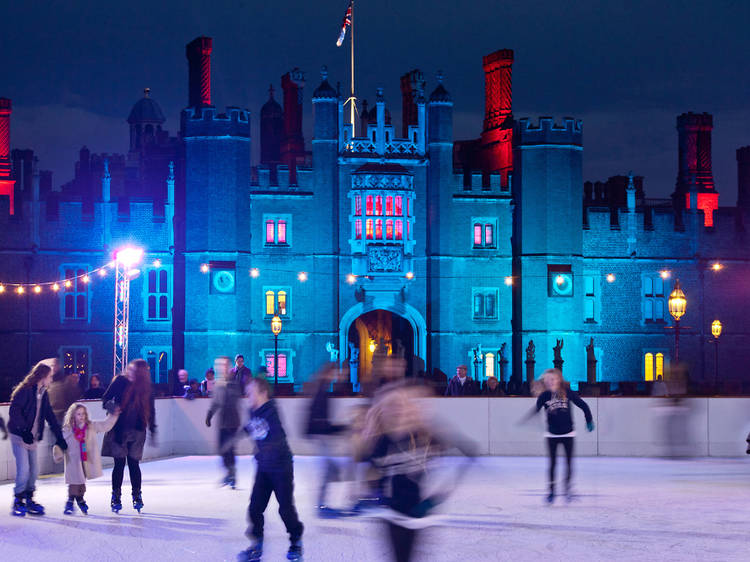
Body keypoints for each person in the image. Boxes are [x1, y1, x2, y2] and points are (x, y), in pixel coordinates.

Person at [238, 377, 303, 562]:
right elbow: (250, 428)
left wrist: (266, 450)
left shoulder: (272, 411)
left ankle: (296, 541)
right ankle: (256, 544)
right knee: (254, 508)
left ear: (263, 393)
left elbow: (275, 437)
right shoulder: (253, 411)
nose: (248, 396)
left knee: (285, 509)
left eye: (251, 392)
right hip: (264, 467)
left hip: (281, 467)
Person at [522, 368, 594, 503]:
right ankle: (551, 491)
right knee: (552, 464)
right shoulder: (544, 396)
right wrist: (527, 417)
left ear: (558, 380)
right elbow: (536, 409)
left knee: (568, 463)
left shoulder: (568, 393)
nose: (549, 382)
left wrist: (589, 420)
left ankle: (567, 489)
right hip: (551, 435)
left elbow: (583, 405)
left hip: (568, 433)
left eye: (552, 379)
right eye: (547, 380)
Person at [8, 360, 68, 516]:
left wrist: (59, 438)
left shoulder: (43, 393)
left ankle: (29, 498)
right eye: (50, 376)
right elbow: (14, 411)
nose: (51, 379)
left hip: (32, 437)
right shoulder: (25, 390)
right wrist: (24, 431)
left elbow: (50, 416)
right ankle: (18, 500)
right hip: (19, 435)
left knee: (34, 470)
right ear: (43, 376)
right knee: (24, 469)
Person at [102, 358, 157, 513]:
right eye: (130, 370)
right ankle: (116, 496)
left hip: (137, 431)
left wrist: (153, 430)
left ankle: (137, 496)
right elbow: (105, 398)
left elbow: (151, 411)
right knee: (119, 464)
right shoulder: (120, 381)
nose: (130, 373)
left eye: (134, 371)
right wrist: (112, 408)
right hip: (119, 430)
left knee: (134, 464)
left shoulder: (146, 388)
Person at [60, 402, 119, 515]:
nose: (81, 416)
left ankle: (80, 498)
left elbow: (105, 425)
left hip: (85, 460)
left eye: (83, 414)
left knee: (81, 481)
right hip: (73, 461)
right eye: (78, 414)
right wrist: (57, 453)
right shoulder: (67, 429)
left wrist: (114, 415)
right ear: (72, 415)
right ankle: (71, 500)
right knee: (74, 482)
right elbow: (60, 443)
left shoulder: (90, 426)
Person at [305, 363, 348, 513]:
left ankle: (323, 503)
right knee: (329, 469)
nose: (335, 376)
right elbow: (319, 420)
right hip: (320, 435)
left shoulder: (322, 389)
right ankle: (322, 504)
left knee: (331, 469)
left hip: (320, 434)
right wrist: (340, 429)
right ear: (328, 373)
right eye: (334, 373)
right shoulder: (321, 391)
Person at [206, 356, 242, 488]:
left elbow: (234, 400)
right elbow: (216, 402)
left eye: (225, 365)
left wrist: (226, 387)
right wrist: (209, 415)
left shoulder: (234, 382)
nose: (222, 368)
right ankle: (228, 472)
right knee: (221, 449)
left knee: (230, 449)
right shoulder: (218, 383)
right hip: (222, 422)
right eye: (220, 365)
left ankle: (232, 475)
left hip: (232, 421)